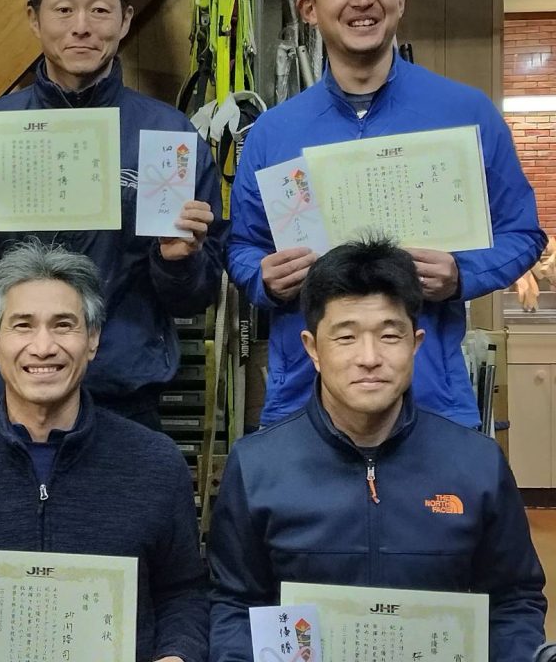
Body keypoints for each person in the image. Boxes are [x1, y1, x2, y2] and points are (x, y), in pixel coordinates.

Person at [227, 0, 546, 427]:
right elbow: (242, 246)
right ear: (308, 8)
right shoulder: (274, 133)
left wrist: (462, 274)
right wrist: (263, 277)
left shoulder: (464, 113)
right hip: (304, 403)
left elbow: (523, 234)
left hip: (431, 401)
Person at [0, 0, 227, 429]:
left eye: (100, 10)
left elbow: (194, 296)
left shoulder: (168, 138)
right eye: (63, 10)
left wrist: (180, 261)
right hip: (5, 397)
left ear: (125, 20)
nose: (82, 27)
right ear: (34, 19)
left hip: (122, 398)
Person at [207, 238, 546, 661]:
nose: (369, 357)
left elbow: (514, 600)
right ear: (313, 349)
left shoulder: (477, 463)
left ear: (415, 344)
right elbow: (235, 603)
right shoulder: (257, 464)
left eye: (389, 335)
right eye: (346, 337)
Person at [0, 240, 209, 662]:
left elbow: (184, 591)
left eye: (63, 325)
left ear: (92, 339)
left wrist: (178, 653)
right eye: (22, 326)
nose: (43, 346)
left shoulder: (155, 463)